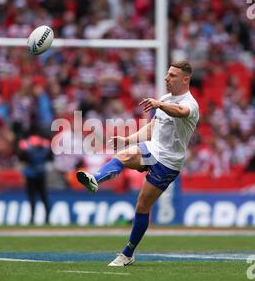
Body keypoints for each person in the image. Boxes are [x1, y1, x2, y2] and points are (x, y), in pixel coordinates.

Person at [76, 61, 199, 266]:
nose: (167, 78)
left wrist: (160, 105)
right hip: (153, 150)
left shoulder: (190, 103)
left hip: (169, 162)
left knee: (142, 206)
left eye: (173, 75)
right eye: (167, 74)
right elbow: (152, 128)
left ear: (185, 79)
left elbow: (180, 112)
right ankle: (95, 179)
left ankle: (128, 253)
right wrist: (127, 139)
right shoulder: (165, 99)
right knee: (124, 154)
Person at [18, 134, 53, 224]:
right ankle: (34, 217)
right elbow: (22, 159)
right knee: (34, 198)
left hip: (39, 176)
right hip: (32, 176)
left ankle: (46, 217)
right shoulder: (34, 150)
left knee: (41, 197)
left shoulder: (41, 150)